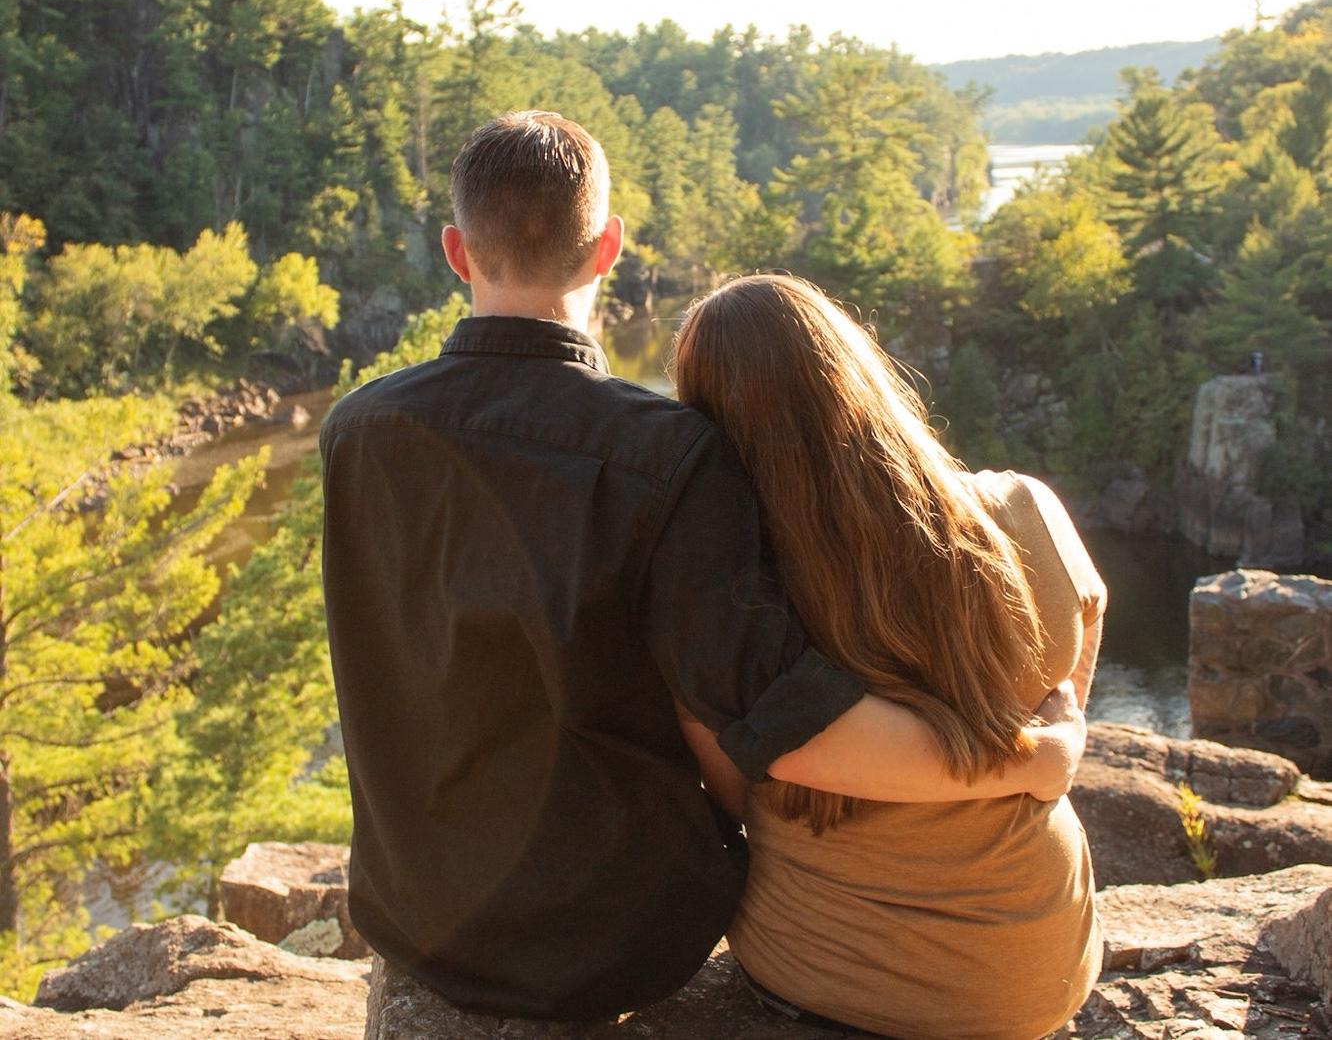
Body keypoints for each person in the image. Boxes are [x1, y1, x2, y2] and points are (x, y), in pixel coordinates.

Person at [319, 111, 1089, 1024]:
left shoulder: (357, 428)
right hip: (608, 944)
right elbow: (781, 724)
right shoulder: (668, 457)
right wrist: (1026, 760)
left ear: (457, 253)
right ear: (607, 248)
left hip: (414, 916)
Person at [673, 272, 1106, 1040]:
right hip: (1039, 973)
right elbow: (1087, 613)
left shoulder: (732, 606)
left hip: (830, 975)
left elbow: (736, 794)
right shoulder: (1021, 507)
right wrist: (1043, 733)